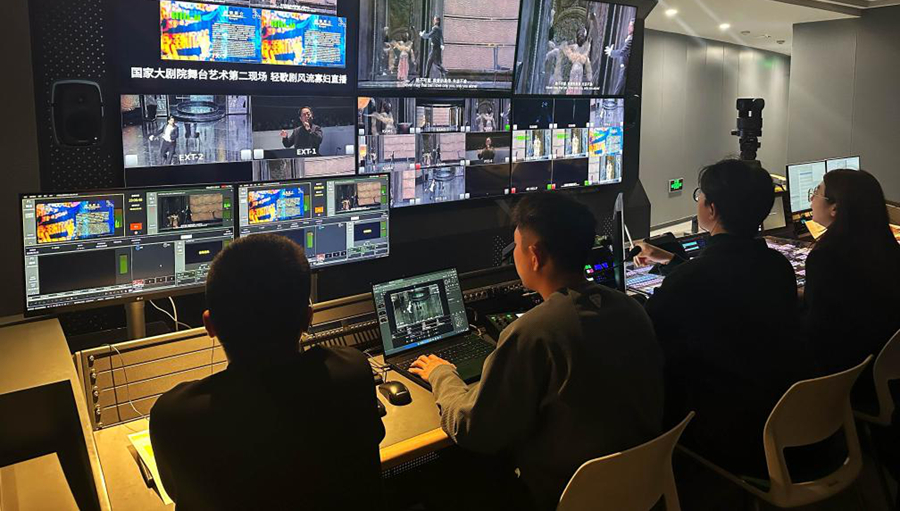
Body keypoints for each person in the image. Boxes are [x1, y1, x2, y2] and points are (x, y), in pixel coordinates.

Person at [409, 193, 664, 511]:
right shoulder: (632, 309)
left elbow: (472, 429)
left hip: (565, 497)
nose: (513, 254)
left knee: (448, 477)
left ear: (535, 255)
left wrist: (441, 375)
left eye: (516, 246)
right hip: (639, 486)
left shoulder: (534, 332)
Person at [149, 234, 385, 510]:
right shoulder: (353, 369)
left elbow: (176, 491)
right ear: (308, 318)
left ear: (209, 325)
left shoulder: (174, 416)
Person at [637, 159, 809, 476]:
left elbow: (644, 335)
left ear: (712, 209)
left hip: (731, 434)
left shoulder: (691, 280)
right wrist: (674, 261)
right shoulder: (777, 267)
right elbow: (728, 282)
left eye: (700, 195)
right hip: (786, 420)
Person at [806, 169, 900, 406]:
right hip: (886, 368)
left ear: (835, 209)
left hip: (848, 379)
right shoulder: (888, 247)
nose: (812, 198)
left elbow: (817, 331)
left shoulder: (825, 258)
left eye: (816, 192)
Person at [603, 19, 634, 95]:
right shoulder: (629, 37)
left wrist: (611, 52)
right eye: (629, 25)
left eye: (630, 26)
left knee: (618, 90)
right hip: (622, 67)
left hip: (625, 69)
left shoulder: (631, 39)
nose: (628, 28)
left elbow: (622, 52)